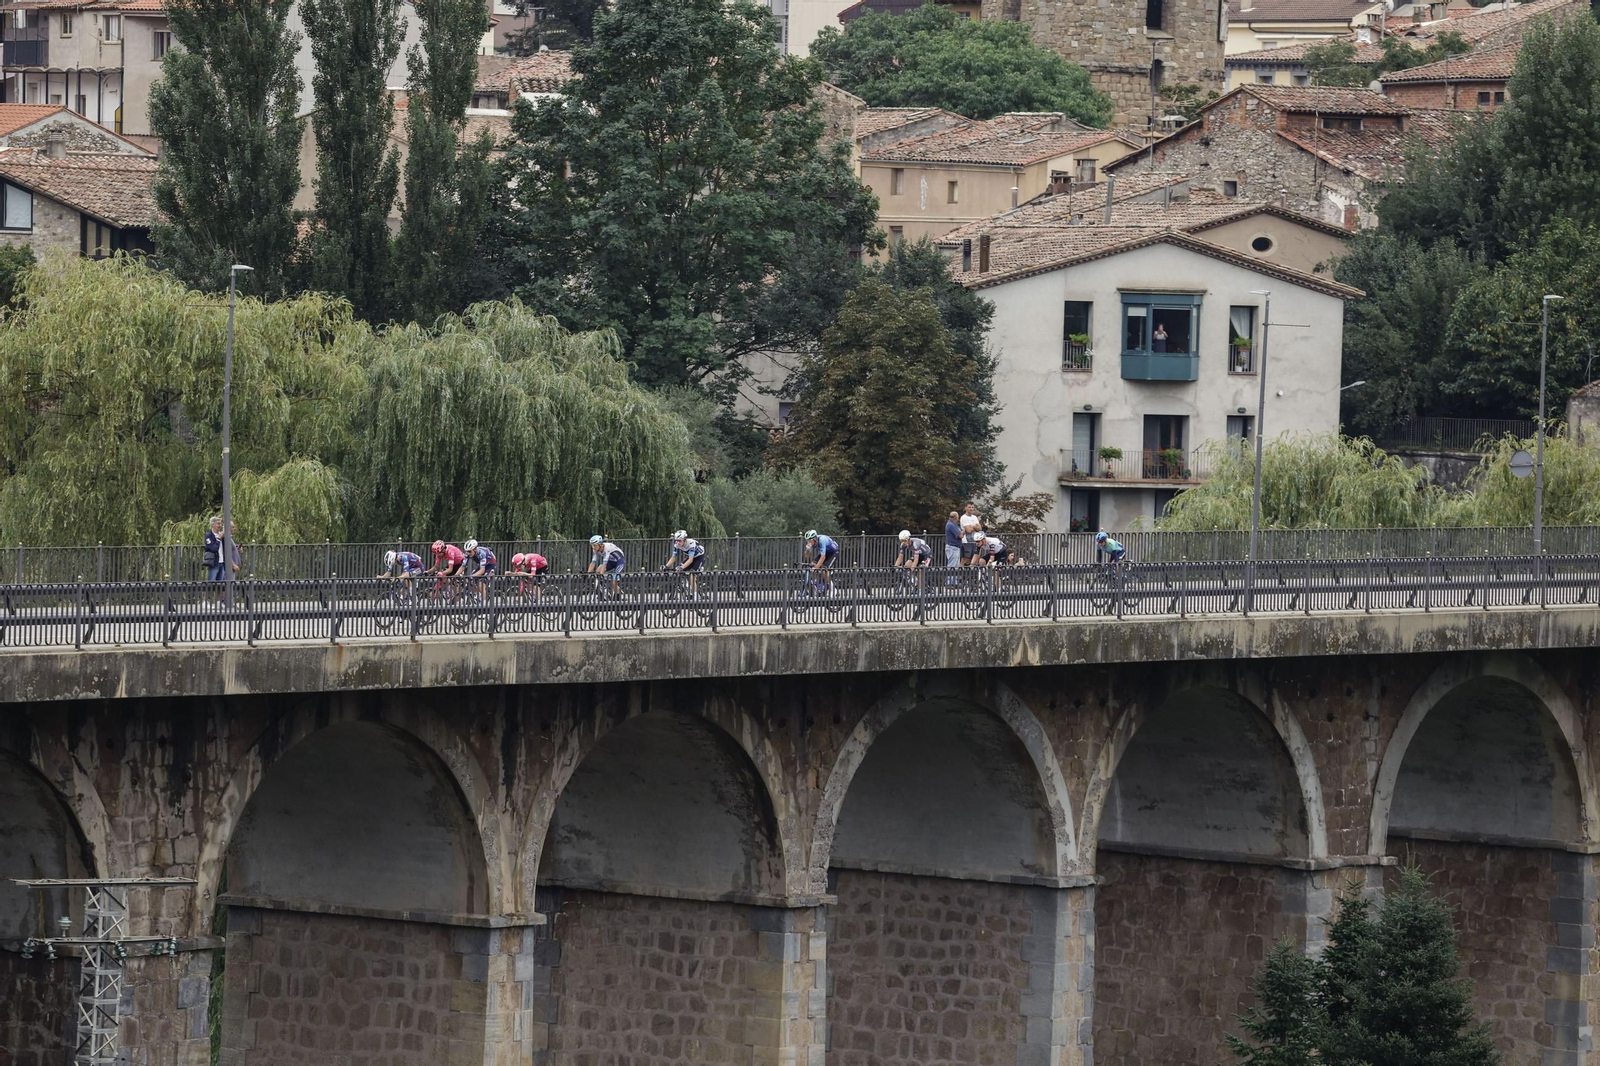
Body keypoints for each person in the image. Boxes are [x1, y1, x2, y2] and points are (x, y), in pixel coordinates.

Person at [662, 530, 707, 597]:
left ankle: (695, 595)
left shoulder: (691, 543)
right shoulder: (676, 545)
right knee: (679, 571)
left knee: (692, 574)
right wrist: (666, 566)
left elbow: (690, 560)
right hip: (690, 557)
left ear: (685, 539)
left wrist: (682, 567)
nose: (678, 542)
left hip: (698, 558)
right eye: (676, 540)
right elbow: (673, 558)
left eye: (680, 541)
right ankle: (688, 588)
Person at [803, 530, 839, 594]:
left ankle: (833, 589)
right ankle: (816, 586)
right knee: (812, 566)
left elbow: (823, 557)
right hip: (825, 552)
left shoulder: (822, 540)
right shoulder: (812, 542)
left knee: (824, 571)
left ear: (815, 539)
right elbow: (807, 556)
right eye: (807, 540)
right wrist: (807, 549)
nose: (808, 542)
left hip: (833, 553)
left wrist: (816, 568)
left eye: (810, 540)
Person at [204, 516, 225, 593]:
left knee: (221, 584)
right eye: (218, 524)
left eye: (220, 524)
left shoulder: (222, 535)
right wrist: (218, 539)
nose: (220, 525)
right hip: (214, 562)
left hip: (222, 562)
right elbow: (213, 548)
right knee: (211, 582)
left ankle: (219, 602)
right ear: (213, 524)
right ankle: (205, 601)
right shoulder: (209, 535)